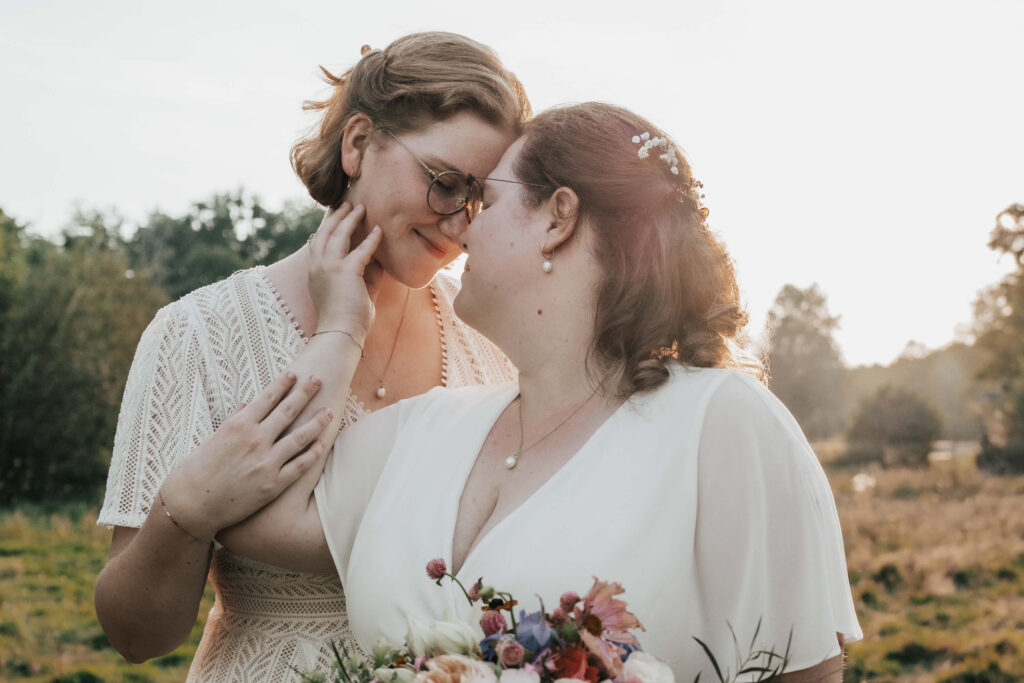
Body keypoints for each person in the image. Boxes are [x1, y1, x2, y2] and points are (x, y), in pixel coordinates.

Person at [215, 101, 863, 681]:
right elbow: (248, 513)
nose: (461, 230)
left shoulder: (721, 423)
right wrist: (340, 328)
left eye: (486, 203)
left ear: (558, 217)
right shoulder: (422, 427)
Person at [93, 31, 531, 680]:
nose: (459, 223)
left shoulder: (494, 342)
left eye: (480, 199)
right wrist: (185, 510)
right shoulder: (197, 333)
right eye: (443, 182)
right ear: (358, 144)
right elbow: (136, 634)